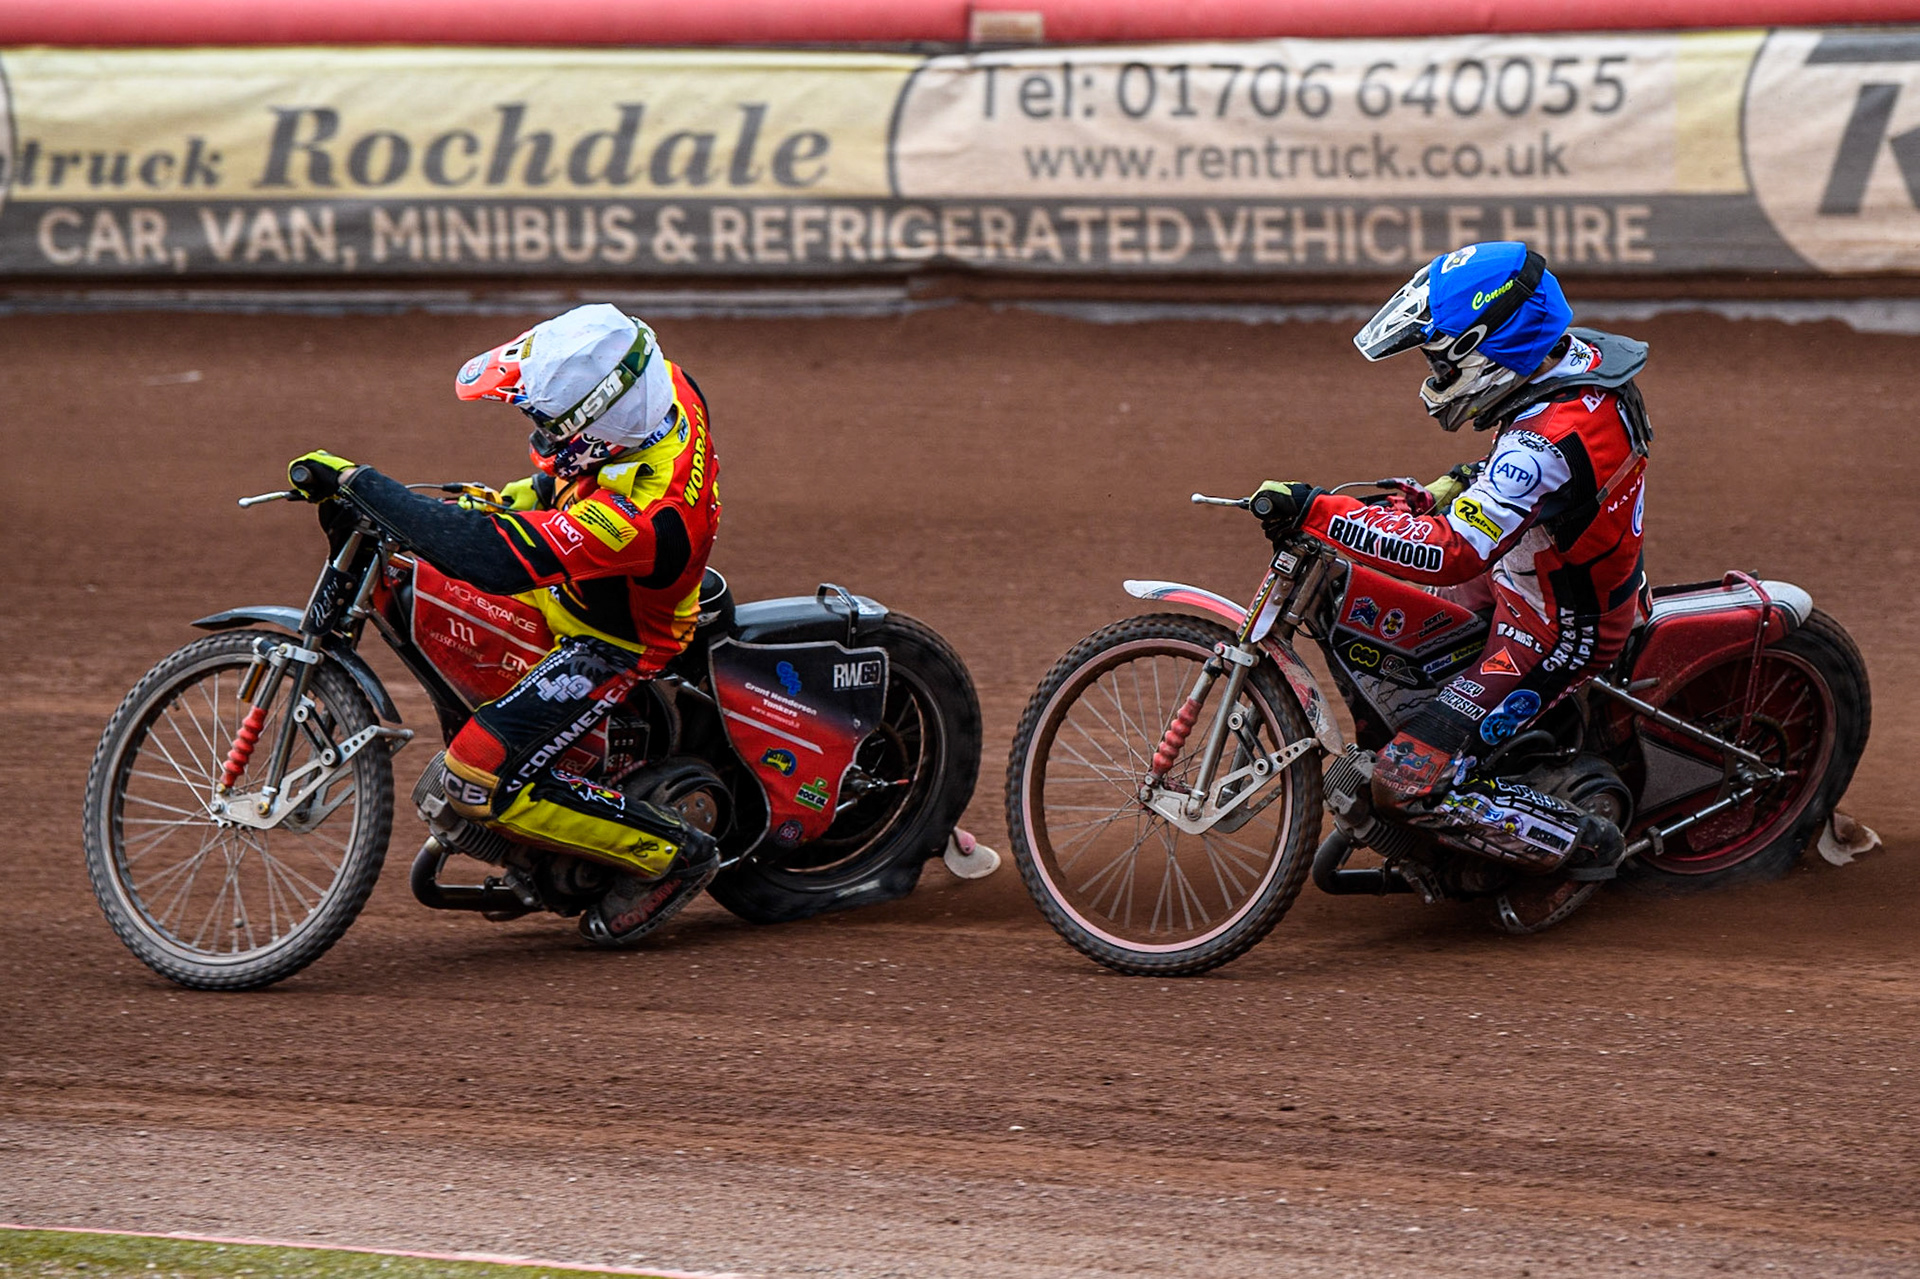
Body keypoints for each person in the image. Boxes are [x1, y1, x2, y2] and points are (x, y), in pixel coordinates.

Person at [282, 303, 723, 944]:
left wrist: (364, 484)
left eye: (546, 421)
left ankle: (675, 855)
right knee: (446, 548)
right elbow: (558, 483)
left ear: (598, 427)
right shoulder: (658, 383)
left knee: (470, 777)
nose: (535, 430)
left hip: (613, 639)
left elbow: (489, 560)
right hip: (587, 568)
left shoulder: (645, 515)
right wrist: (499, 498)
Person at [1255, 241, 1652, 884]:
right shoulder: (1577, 367)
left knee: (1403, 782)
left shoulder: (1543, 441)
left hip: (1552, 634)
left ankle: (1579, 842)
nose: (1435, 373)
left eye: (1441, 356)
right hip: (1525, 574)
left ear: (1488, 346)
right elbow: (1548, 481)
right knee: (1359, 599)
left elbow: (1449, 551)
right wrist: (1461, 483)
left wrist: (1318, 512)